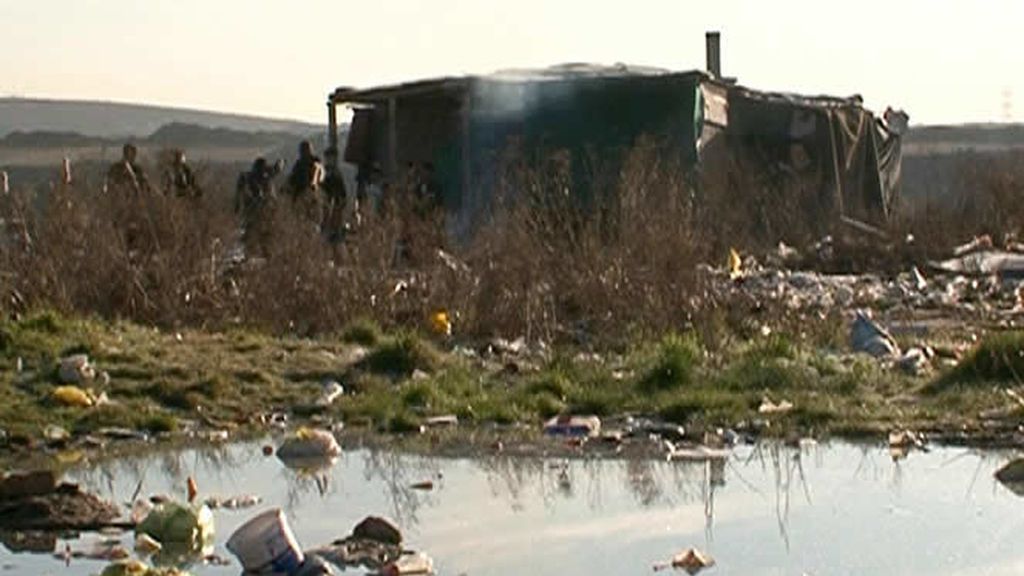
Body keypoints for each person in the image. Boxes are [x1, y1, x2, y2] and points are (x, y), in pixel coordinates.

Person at [235, 157, 283, 257]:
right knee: (256, 232)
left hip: (262, 210)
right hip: (257, 210)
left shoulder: (257, 176)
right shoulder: (258, 177)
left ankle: (262, 253)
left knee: (262, 233)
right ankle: (255, 253)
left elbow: (277, 169)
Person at [287, 140, 325, 228]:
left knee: (308, 223)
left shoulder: (309, 164)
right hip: (308, 196)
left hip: (307, 196)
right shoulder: (302, 164)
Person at [320, 147, 348, 243]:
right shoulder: (324, 172)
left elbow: (342, 193)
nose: (328, 160)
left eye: (330, 158)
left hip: (334, 206)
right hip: (326, 206)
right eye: (327, 158)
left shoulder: (335, 173)